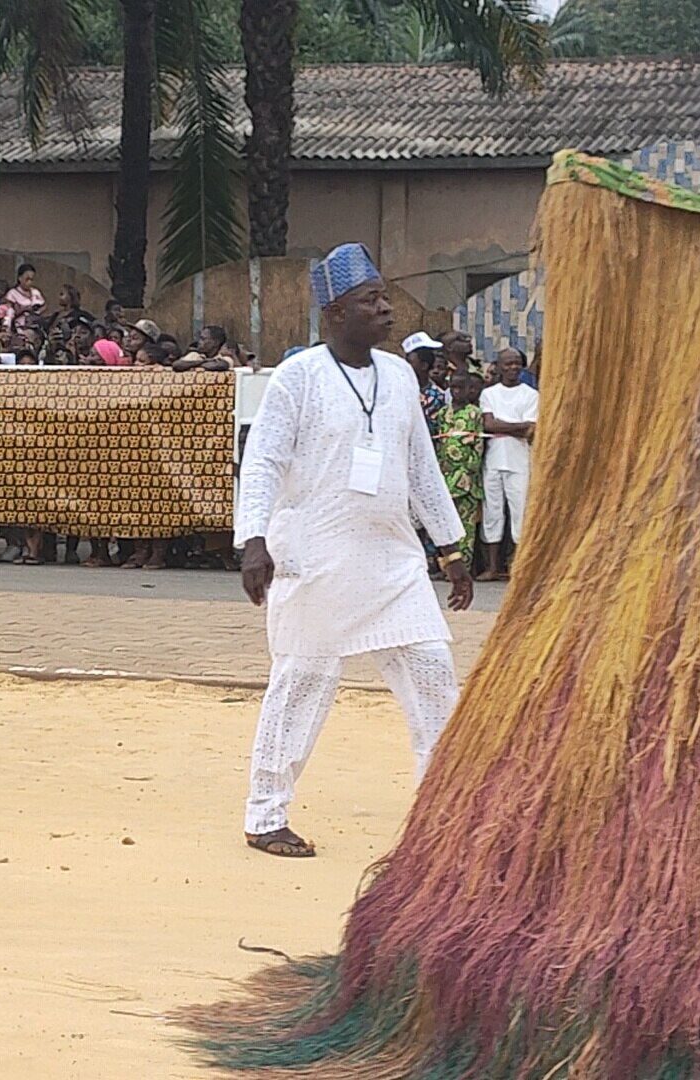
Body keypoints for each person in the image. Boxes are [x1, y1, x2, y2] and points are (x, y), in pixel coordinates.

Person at [233, 242, 474, 859]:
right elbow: (261, 461)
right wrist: (253, 541)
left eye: (384, 296)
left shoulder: (397, 375)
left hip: (392, 562)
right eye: (372, 300)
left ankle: (439, 814)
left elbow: (420, 466)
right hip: (316, 555)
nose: (388, 309)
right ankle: (265, 815)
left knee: (432, 673)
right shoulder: (299, 378)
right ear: (334, 313)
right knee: (303, 681)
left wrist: (450, 546)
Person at [477, 347, 538, 581]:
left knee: (519, 512)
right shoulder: (489, 393)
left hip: (520, 461)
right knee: (493, 512)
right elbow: (489, 425)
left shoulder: (531, 395)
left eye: (517, 364)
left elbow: (531, 429)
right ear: (499, 366)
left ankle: (518, 567)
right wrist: (518, 427)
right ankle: (492, 567)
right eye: (508, 364)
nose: (513, 368)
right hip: (494, 460)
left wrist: (506, 426)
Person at [436, 372, 486, 567]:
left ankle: (464, 565)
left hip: (467, 478)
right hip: (446, 474)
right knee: (447, 522)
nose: (457, 391)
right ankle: (447, 564)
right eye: (453, 387)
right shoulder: (443, 413)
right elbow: (440, 442)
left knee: (466, 524)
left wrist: (469, 470)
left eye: (461, 388)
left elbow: (478, 444)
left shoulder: (475, 413)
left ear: (469, 390)